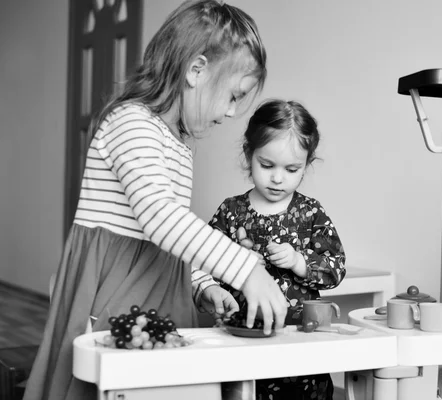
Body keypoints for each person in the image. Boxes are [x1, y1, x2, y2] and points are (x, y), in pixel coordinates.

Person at [23, 1, 287, 399]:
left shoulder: (178, 144)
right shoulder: (131, 122)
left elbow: (175, 227)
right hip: (118, 289)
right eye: (233, 96)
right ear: (196, 71)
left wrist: (200, 284)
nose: (233, 112)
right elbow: (159, 216)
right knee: (108, 384)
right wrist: (246, 270)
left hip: (159, 290)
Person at [209, 99, 346, 400]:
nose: (277, 178)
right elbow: (203, 271)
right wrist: (235, 264)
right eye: (267, 165)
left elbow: (335, 268)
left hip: (301, 347)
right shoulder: (231, 211)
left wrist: (299, 261)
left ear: (307, 165)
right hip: (242, 344)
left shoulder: (311, 212)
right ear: (249, 154)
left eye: (292, 168)